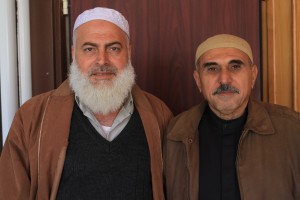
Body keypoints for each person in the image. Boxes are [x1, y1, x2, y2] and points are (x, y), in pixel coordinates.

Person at [0, 7, 173, 200]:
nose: (102, 60)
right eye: (89, 49)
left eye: (114, 48)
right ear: (74, 53)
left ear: (129, 52)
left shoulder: (159, 115)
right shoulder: (32, 116)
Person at [164, 34, 300, 200]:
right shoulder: (173, 135)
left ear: (253, 75)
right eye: (212, 69)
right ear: (198, 80)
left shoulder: (293, 129)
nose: (224, 79)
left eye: (235, 66)